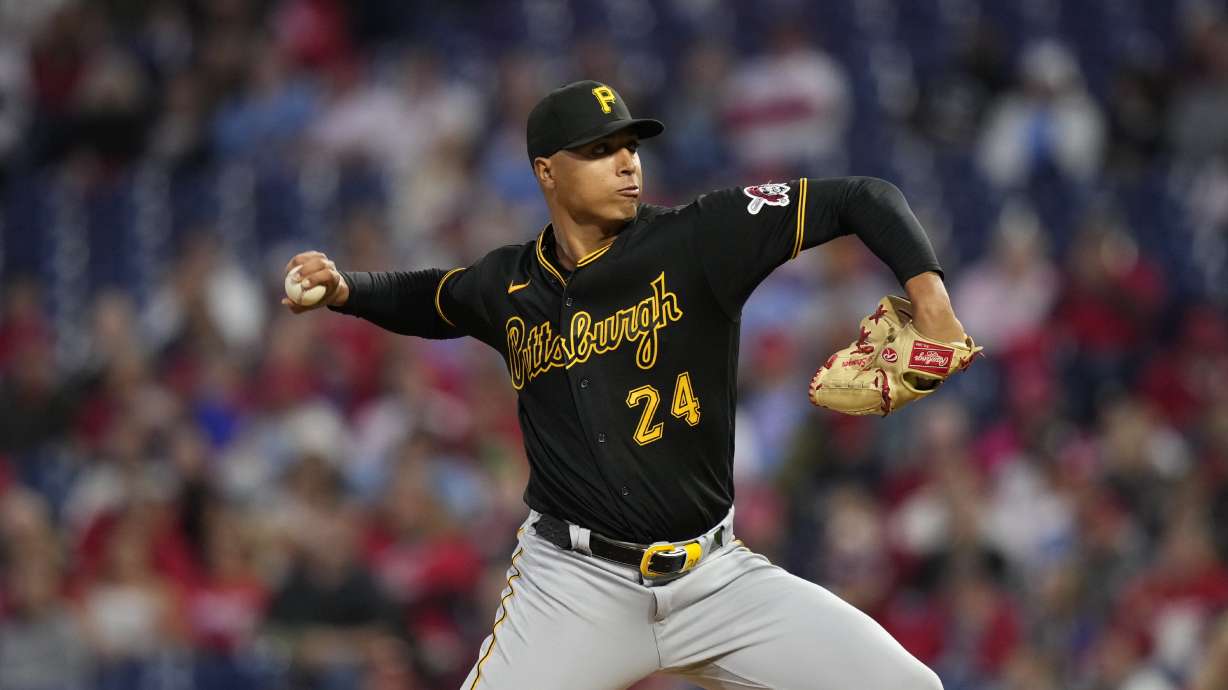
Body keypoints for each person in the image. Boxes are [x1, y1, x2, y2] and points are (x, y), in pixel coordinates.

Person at [283, 80, 968, 689]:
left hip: (713, 578)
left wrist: (932, 305)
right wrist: (347, 290)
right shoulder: (509, 284)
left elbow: (862, 198)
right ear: (546, 172)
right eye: (600, 149)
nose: (627, 162)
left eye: (630, 146)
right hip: (574, 586)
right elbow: (433, 296)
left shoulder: (698, 238)